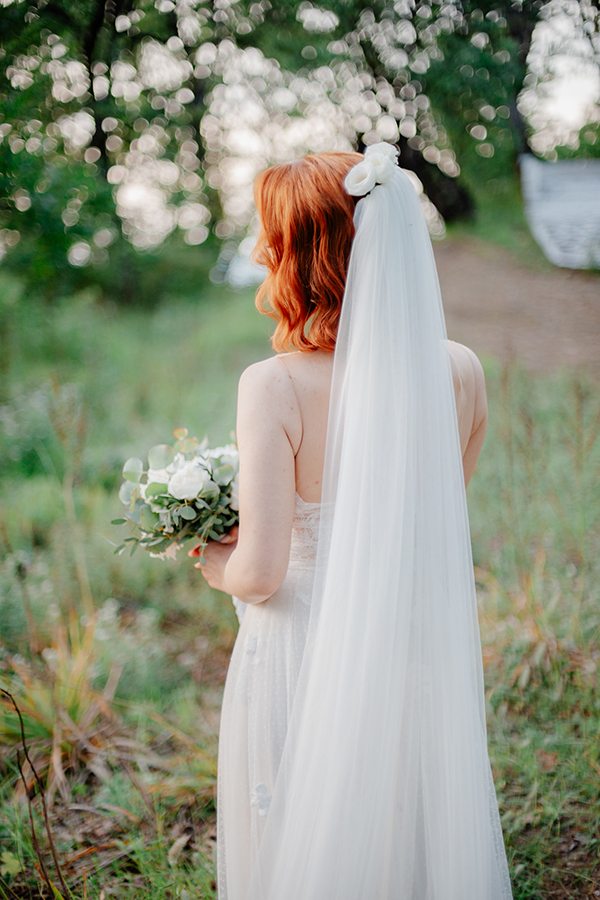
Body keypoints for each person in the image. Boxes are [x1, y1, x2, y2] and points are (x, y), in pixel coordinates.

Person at [190, 145, 513, 900]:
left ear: (294, 256)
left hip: (304, 651)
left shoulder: (272, 386)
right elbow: (427, 527)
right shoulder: (460, 369)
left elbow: (262, 574)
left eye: (270, 239)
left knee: (311, 847)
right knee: (402, 831)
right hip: (406, 643)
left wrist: (212, 560)